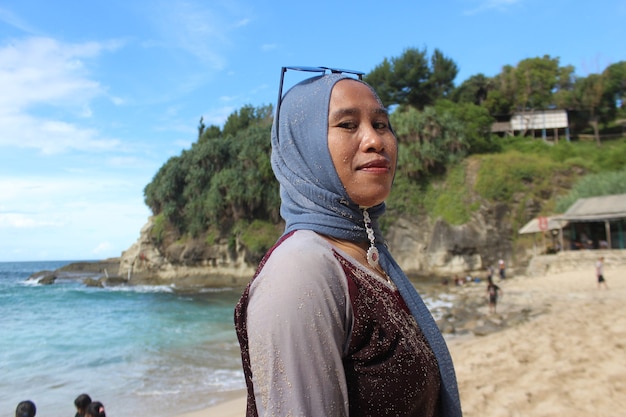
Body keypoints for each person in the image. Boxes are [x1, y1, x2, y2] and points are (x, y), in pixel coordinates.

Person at [234, 67, 462, 417]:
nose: (375, 140)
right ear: (301, 147)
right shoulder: (300, 272)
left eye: (382, 124)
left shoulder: (367, 255)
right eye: (348, 125)